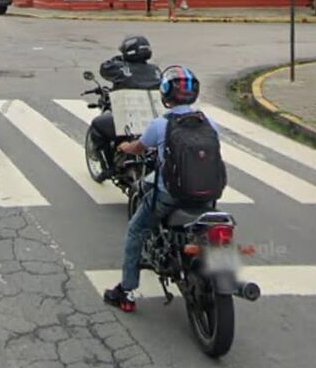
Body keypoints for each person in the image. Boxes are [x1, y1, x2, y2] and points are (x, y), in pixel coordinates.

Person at [103, 65, 224, 312]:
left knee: (136, 230)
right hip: (207, 198)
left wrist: (125, 147)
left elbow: (139, 148)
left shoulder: (160, 125)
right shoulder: (210, 123)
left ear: (165, 95)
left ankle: (126, 291)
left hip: (170, 196)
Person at [90, 36, 161, 175]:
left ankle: (107, 167)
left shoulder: (120, 68)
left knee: (97, 125)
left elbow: (104, 68)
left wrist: (119, 59)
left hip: (129, 120)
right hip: (153, 119)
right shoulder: (155, 70)